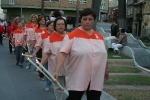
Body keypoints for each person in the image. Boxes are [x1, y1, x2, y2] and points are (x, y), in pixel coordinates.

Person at [54, 8, 109, 100]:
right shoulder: (72, 36)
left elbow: (103, 55)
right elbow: (63, 53)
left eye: (90, 19)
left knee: (95, 98)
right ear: (80, 20)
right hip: (78, 74)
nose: (87, 22)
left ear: (93, 21)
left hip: (96, 75)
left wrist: (106, 70)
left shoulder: (99, 37)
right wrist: (56, 71)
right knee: (74, 97)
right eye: (85, 19)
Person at [41, 17, 67, 100]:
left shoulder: (70, 37)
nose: (61, 26)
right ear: (55, 26)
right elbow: (46, 53)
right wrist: (41, 64)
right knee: (58, 89)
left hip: (69, 69)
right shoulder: (50, 38)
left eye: (62, 24)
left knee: (72, 89)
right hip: (56, 69)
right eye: (58, 24)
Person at [33, 21, 54, 91]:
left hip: (55, 57)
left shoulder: (58, 35)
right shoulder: (42, 35)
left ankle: (57, 86)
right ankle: (47, 85)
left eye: (54, 25)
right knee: (47, 71)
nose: (52, 26)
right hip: (46, 57)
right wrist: (34, 53)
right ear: (47, 27)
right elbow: (39, 45)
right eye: (51, 25)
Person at [32, 15, 47, 81]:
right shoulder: (36, 29)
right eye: (41, 20)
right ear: (39, 21)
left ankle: (46, 73)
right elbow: (34, 39)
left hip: (46, 48)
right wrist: (32, 47)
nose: (42, 21)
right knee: (40, 61)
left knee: (46, 62)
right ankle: (41, 75)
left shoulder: (48, 28)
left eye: (43, 19)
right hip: (39, 48)